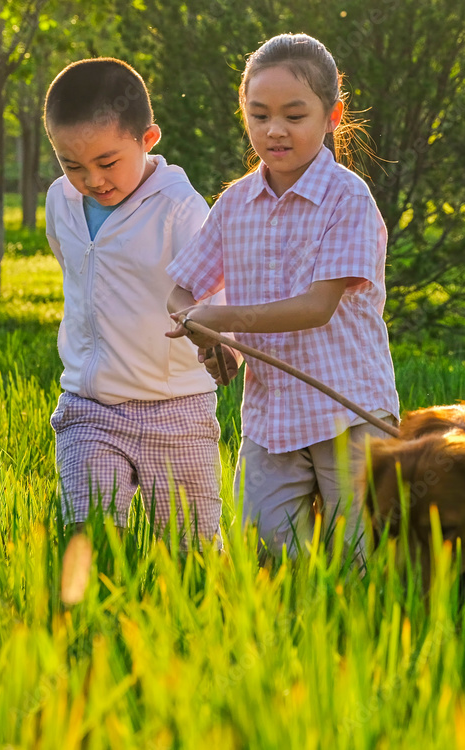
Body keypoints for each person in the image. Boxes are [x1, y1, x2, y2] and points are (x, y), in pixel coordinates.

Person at [166, 33, 400, 560]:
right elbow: (181, 290)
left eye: (295, 116)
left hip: (351, 411)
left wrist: (220, 315)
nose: (275, 131)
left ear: (332, 116)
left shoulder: (348, 199)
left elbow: (316, 308)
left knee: (361, 557)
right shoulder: (236, 204)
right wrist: (211, 337)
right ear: (244, 115)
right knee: (266, 553)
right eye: (259, 115)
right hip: (271, 418)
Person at [43, 57, 223, 547]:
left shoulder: (180, 209)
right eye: (71, 164)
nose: (92, 180)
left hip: (177, 408)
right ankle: (87, 623)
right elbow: (76, 274)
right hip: (89, 406)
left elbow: (215, 291)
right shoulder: (60, 202)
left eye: (107, 162)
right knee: (91, 540)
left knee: (192, 552)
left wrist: (220, 342)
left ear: (147, 140)